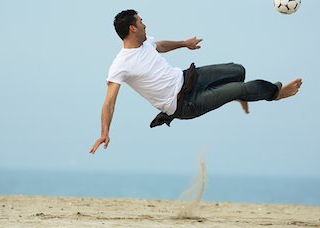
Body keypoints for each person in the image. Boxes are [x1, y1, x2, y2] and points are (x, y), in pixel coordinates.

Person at [89, 10, 302, 154]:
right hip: (185, 104)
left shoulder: (146, 43)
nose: (145, 24)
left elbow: (160, 45)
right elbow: (109, 102)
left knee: (238, 70)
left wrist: (184, 44)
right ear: (132, 29)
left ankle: (239, 96)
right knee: (241, 87)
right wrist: (104, 132)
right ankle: (276, 93)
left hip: (189, 78)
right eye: (141, 21)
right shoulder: (120, 65)